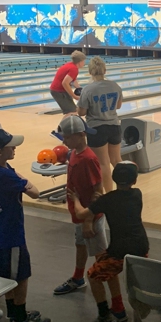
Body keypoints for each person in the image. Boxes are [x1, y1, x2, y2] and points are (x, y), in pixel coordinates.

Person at [69, 161, 149, 322]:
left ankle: (104, 315)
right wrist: (101, 201)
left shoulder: (107, 200)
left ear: (113, 178)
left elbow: (80, 213)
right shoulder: (137, 194)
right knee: (109, 269)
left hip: (121, 252)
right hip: (141, 246)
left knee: (93, 276)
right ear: (134, 181)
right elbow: (116, 202)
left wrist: (75, 199)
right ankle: (119, 310)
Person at [0, 129, 52, 322]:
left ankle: (13, 316)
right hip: (11, 236)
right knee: (21, 277)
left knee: (7, 276)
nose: (14, 147)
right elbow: (35, 193)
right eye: (10, 145)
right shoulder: (6, 176)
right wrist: (21, 178)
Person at [53, 115, 108, 296]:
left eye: (68, 137)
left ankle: (113, 289)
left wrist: (88, 220)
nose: (64, 141)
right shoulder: (75, 154)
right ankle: (78, 278)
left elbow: (98, 190)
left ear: (81, 135)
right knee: (80, 244)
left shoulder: (88, 158)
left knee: (101, 255)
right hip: (80, 213)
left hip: (90, 216)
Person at [77, 56, 123, 194]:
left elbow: (81, 112)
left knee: (103, 163)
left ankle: (109, 194)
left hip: (96, 129)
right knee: (117, 160)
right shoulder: (115, 86)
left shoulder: (88, 89)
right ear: (105, 70)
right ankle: (124, 190)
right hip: (114, 126)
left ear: (90, 72)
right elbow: (118, 106)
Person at [50, 50, 86, 115]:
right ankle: (61, 125)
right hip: (58, 91)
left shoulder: (71, 65)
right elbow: (65, 83)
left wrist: (81, 90)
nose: (84, 63)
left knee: (73, 111)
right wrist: (74, 96)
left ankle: (66, 125)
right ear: (80, 62)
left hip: (59, 90)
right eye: (83, 61)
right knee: (71, 113)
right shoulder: (73, 69)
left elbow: (73, 81)